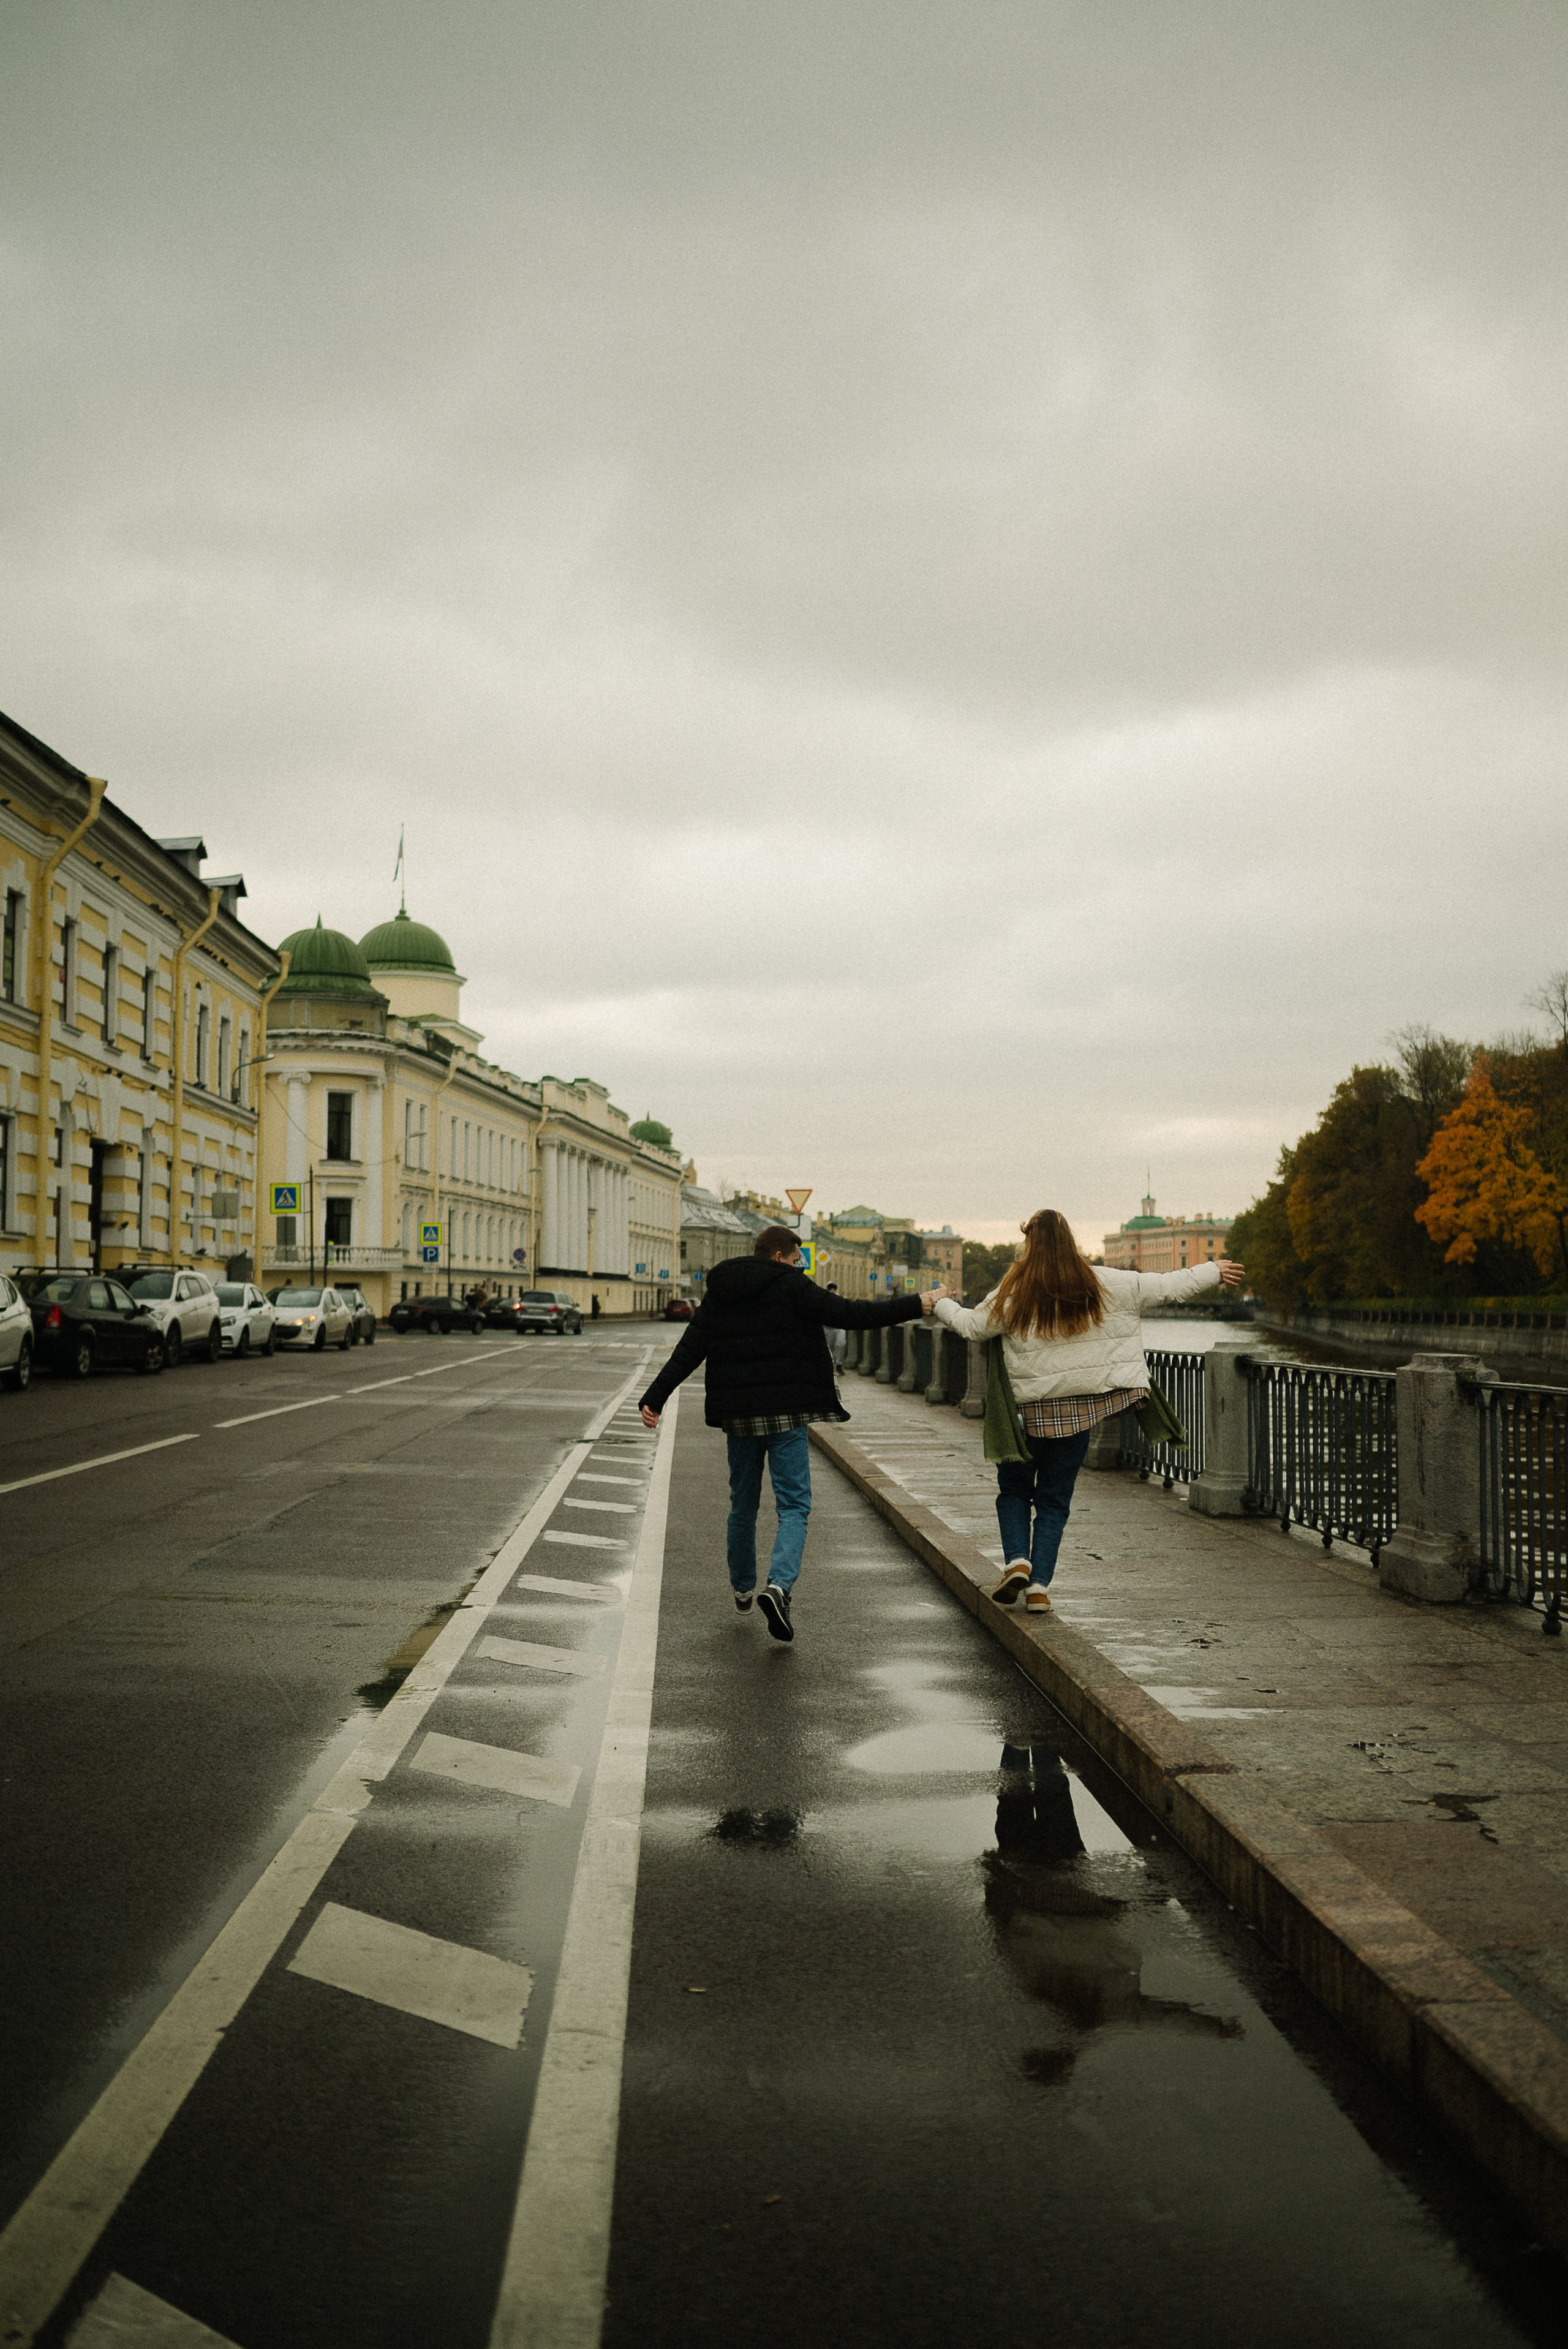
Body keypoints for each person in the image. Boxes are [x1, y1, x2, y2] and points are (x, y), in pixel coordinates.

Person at [639, 1226, 949, 1642]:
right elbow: (852, 1314)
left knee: (743, 1505)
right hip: (786, 1415)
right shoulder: (792, 1286)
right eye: (798, 1258)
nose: (801, 1264)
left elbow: (690, 1350)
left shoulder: (721, 1291)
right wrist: (919, 1303)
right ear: (782, 1257)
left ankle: (743, 1586)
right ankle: (779, 1587)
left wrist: (655, 1398)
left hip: (740, 1417)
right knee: (794, 1506)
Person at [935, 1211, 1244, 1615]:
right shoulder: (1105, 1281)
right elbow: (1169, 1286)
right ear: (1070, 1242)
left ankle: (1016, 1562)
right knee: (1054, 1501)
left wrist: (940, 1301)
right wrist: (1213, 1270)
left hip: (1026, 1415)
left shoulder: (1013, 1291)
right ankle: (1040, 1588)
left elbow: (972, 1327)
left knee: (1013, 1490)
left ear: (1029, 1244)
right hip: (1077, 1417)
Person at [824, 1283, 848, 1368]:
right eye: (831, 1289)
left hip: (839, 1327)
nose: (832, 1291)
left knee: (841, 1344)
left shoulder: (840, 1299)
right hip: (828, 1328)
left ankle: (839, 1364)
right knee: (828, 1348)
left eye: (834, 1289)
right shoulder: (824, 1300)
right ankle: (828, 1365)